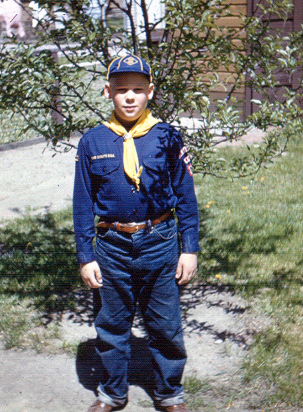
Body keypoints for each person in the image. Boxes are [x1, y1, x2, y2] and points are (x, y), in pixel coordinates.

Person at [73, 54, 200, 412]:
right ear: (107, 91)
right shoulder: (93, 142)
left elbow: (186, 199)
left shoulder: (168, 137)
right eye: (121, 90)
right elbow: (82, 204)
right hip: (112, 246)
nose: (130, 97)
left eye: (138, 90)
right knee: (112, 325)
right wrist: (87, 257)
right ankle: (113, 393)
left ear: (150, 92)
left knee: (165, 325)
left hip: (159, 242)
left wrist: (188, 247)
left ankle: (169, 392)